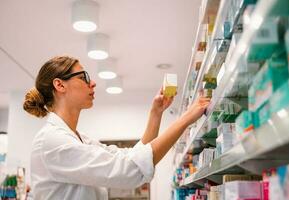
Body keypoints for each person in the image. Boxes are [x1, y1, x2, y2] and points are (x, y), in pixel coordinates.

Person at [23, 56, 210, 200]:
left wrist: (156, 114)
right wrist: (185, 119)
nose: (93, 83)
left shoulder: (79, 138)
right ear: (60, 84)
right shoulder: (52, 141)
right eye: (84, 77)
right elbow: (129, 170)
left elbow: (131, 157)